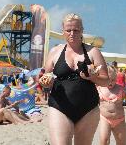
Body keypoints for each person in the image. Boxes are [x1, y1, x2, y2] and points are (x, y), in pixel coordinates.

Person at [39, 13, 110, 145]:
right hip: (59, 106)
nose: (72, 33)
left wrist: (92, 77)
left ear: (82, 30)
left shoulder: (93, 52)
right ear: (63, 32)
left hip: (88, 108)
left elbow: (106, 80)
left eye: (76, 30)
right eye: (68, 30)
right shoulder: (55, 51)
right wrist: (46, 82)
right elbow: (46, 79)